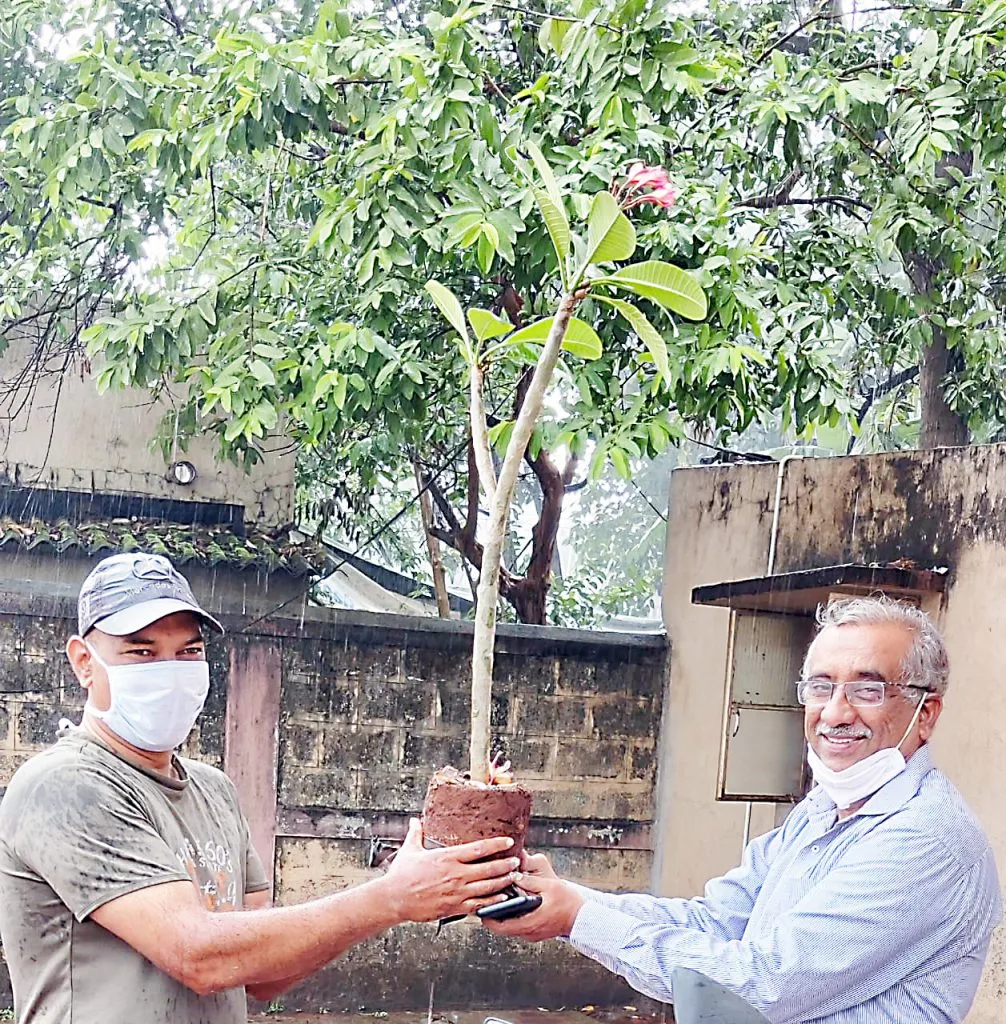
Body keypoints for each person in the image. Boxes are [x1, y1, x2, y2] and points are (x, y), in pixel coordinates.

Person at [0, 553, 519, 1024]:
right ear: (83, 662)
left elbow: (262, 976)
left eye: (189, 651)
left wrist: (419, 879)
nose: (170, 672)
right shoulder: (66, 786)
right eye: (141, 652)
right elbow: (197, 955)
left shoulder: (214, 790)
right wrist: (390, 898)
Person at [484, 597, 1002, 1024]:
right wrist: (569, 898)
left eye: (868, 689)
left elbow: (760, 986)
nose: (836, 713)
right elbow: (717, 920)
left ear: (925, 711)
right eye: (820, 687)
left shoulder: (925, 839)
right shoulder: (823, 811)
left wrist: (578, 919)